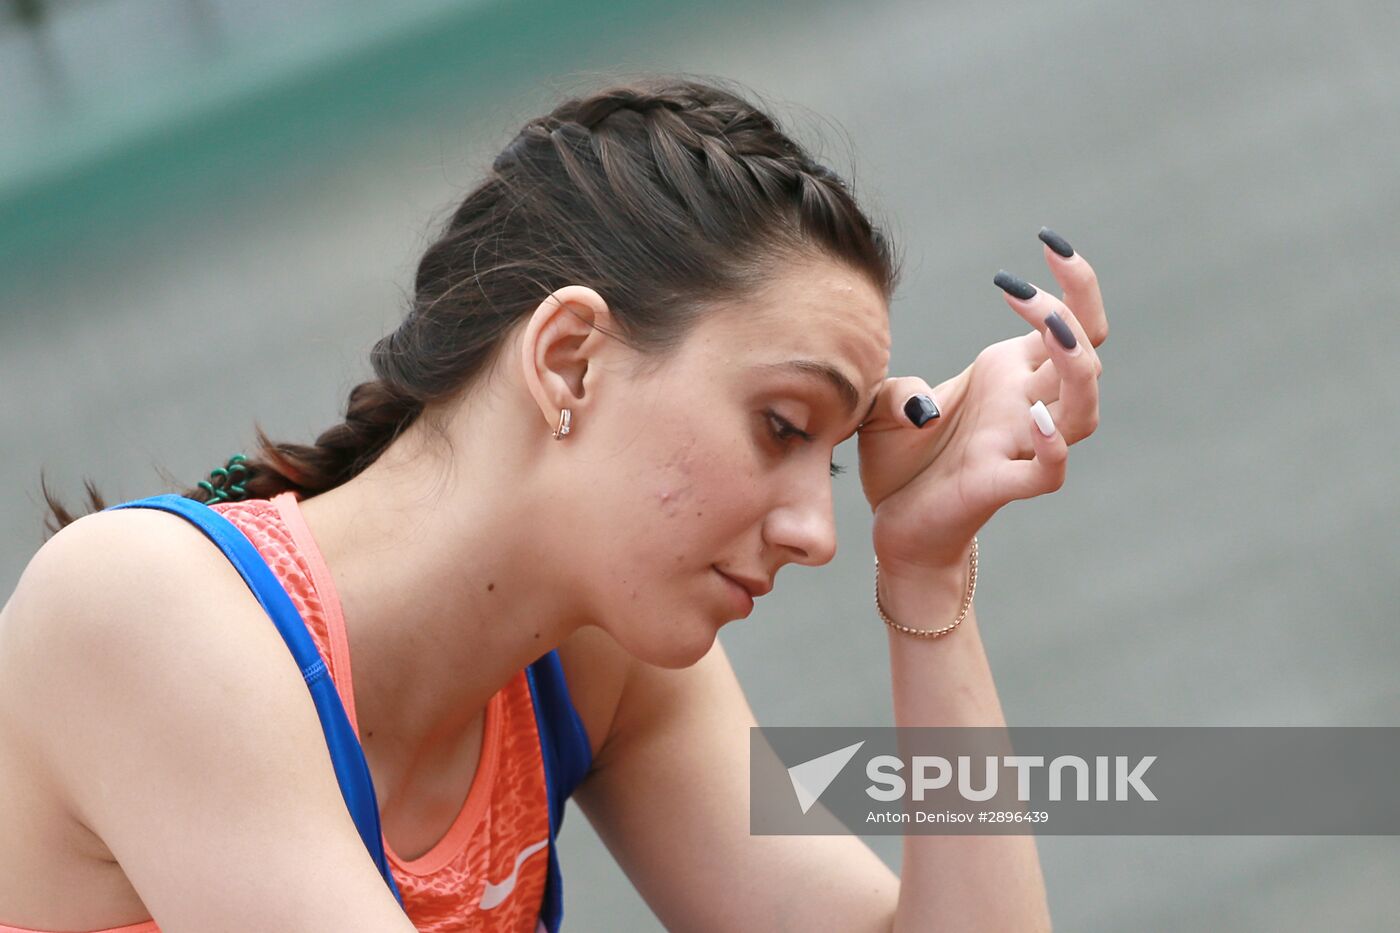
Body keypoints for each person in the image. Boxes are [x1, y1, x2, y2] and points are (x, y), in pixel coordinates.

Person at [0, 75, 1105, 932]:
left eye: (821, 461)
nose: (816, 533)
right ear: (569, 358)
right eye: (778, 426)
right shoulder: (142, 613)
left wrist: (926, 568)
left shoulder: (592, 666)